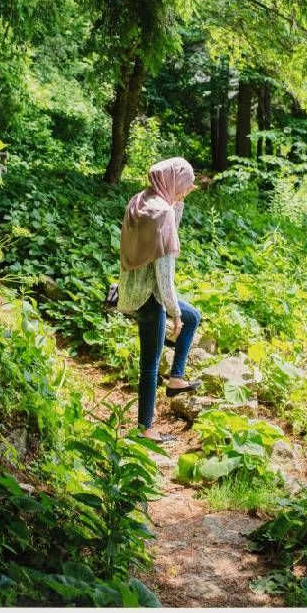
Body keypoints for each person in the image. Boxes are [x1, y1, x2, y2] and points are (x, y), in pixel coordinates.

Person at [117, 157, 202, 442]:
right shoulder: (161, 213)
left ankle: (176, 378)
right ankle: (145, 428)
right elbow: (163, 271)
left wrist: (176, 204)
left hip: (132, 287)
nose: (188, 191)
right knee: (150, 364)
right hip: (150, 296)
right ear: (173, 181)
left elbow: (166, 235)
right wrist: (173, 310)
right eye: (186, 186)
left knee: (194, 317)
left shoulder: (142, 200)